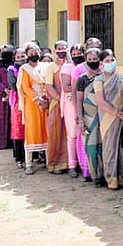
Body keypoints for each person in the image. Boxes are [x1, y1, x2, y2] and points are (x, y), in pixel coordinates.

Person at [94, 49, 123, 190]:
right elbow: (100, 101)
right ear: (102, 63)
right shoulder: (99, 79)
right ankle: (111, 179)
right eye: (107, 61)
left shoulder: (121, 78)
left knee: (122, 149)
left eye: (112, 60)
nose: (110, 63)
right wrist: (117, 113)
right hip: (108, 117)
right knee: (109, 148)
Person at [17, 42, 48, 174]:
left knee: (46, 130)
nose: (33, 55)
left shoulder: (45, 67)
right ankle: (29, 163)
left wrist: (45, 98)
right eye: (31, 53)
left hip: (46, 103)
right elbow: (25, 87)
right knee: (32, 131)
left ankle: (48, 161)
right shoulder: (24, 69)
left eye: (35, 52)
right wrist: (37, 99)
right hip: (32, 104)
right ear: (27, 55)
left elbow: (48, 82)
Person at [77, 48, 103, 184]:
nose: (93, 62)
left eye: (95, 59)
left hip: (105, 115)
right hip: (89, 117)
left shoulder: (106, 77)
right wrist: (80, 119)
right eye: (90, 60)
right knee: (92, 146)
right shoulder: (82, 80)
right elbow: (79, 100)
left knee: (106, 145)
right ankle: (96, 176)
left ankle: (108, 175)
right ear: (86, 61)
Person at [43, 40, 70, 173]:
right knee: (55, 132)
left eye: (64, 48)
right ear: (55, 51)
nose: (62, 51)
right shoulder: (50, 67)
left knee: (68, 134)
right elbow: (48, 86)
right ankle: (55, 163)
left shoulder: (70, 66)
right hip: (56, 103)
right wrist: (60, 99)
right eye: (59, 49)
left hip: (69, 104)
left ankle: (69, 163)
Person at [60, 44, 84, 178]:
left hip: (87, 103)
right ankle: (72, 165)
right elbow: (66, 86)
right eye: (74, 54)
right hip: (71, 103)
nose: (77, 56)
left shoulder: (88, 66)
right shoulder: (67, 67)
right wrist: (81, 90)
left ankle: (84, 164)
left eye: (79, 53)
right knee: (72, 135)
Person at [8, 49, 27, 168]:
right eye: (18, 57)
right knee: (18, 129)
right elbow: (13, 85)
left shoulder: (30, 68)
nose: (21, 59)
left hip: (30, 100)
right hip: (18, 101)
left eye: (23, 56)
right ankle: (19, 157)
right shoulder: (12, 69)